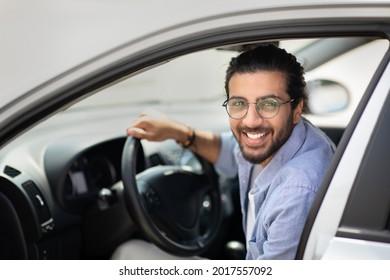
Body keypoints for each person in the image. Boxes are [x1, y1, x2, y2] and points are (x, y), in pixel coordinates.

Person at [112, 44, 336, 260]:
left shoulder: (296, 192)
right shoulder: (273, 140)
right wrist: (180, 133)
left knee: (128, 254)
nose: (250, 121)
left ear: (297, 110)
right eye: (239, 103)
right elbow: (230, 151)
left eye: (268, 104)